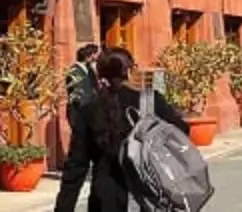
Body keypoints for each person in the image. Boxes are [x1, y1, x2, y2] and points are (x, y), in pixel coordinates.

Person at [55, 47, 190, 212]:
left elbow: (76, 166)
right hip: (150, 194)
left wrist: (63, 208)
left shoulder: (89, 110)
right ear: (130, 71)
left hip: (105, 198)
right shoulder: (151, 102)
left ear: (99, 74)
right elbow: (181, 131)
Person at [65, 44, 100, 135]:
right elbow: (78, 95)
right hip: (78, 114)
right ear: (90, 55)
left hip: (88, 114)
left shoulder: (89, 69)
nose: (98, 56)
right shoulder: (75, 71)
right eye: (97, 54)